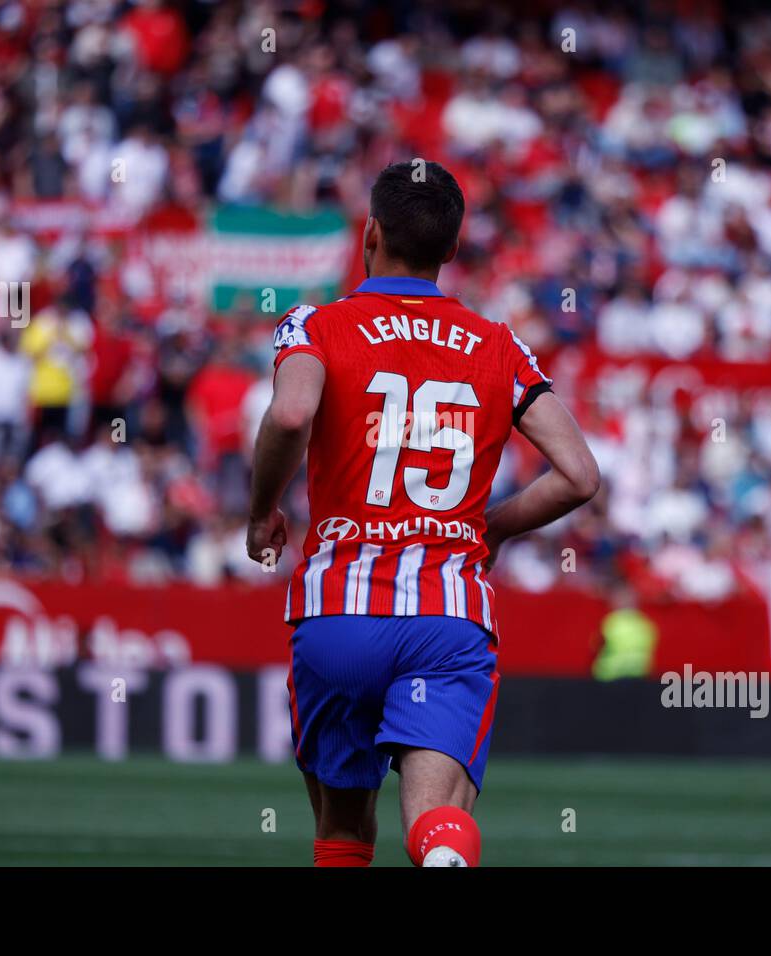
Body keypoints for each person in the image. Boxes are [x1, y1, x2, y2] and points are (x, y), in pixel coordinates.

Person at [246, 160, 599, 867]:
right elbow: (580, 476)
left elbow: (290, 413)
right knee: (435, 819)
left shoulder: (317, 324)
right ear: (452, 247)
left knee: (343, 833)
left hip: (338, 611)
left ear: (370, 233)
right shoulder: (499, 346)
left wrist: (262, 513)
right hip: (446, 614)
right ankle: (440, 853)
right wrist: (492, 527)